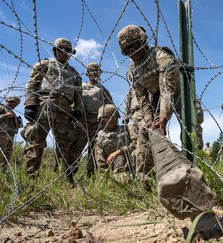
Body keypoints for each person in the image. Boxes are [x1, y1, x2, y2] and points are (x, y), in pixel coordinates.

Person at [117, 24, 181, 176]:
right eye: (127, 50)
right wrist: (149, 119)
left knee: (190, 128)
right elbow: (142, 98)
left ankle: (193, 162)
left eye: (135, 46)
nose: (133, 53)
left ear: (143, 41)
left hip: (178, 93)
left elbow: (167, 89)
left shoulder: (161, 57)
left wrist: (163, 118)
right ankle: (144, 178)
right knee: (145, 131)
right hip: (157, 97)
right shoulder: (133, 71)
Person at [23, 37, 83, 188]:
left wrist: (77, 110)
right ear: (56, 50)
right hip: (45, 105)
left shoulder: (74, 73)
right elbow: (31, 84)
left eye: (68, 51)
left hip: (65, 110)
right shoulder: (45, 64)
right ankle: (31, 177)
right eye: (62, 50)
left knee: (64, 145)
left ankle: (64, 178)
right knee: (36, 141)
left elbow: (78, 95)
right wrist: (30, 104)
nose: (65, 53)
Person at [70, 62, 113, 177]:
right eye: (91, 71)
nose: (94, 73)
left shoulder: (102, 89)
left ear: (99, 73)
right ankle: (69, 175)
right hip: (82, 120)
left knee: (94, 151)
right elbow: (74, 100)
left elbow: (110, 106)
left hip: (97, 122)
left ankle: (91, 176)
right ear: (87, 73)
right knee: (76, 148)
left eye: (96, 71)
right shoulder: (81, 86)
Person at [94, 104, 132, 174]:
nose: (110, 119)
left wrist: (118, 152)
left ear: (117, 117)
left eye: (112, 116)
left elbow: (134, 146)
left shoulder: (125, 130)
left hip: (131, 166)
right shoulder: (100, 138)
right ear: (101, 119)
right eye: (106, 117)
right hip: (113, 172)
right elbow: (101, 162)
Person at [0, 96, 22, 172]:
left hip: (10, 135)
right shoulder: (0, 108)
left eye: (16, 104)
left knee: (7, 155)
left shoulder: (13, 113)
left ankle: (2, 172)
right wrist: (6, 116)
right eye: (13, 103)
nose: (14, 105)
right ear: (9, 101)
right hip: (0, 133)